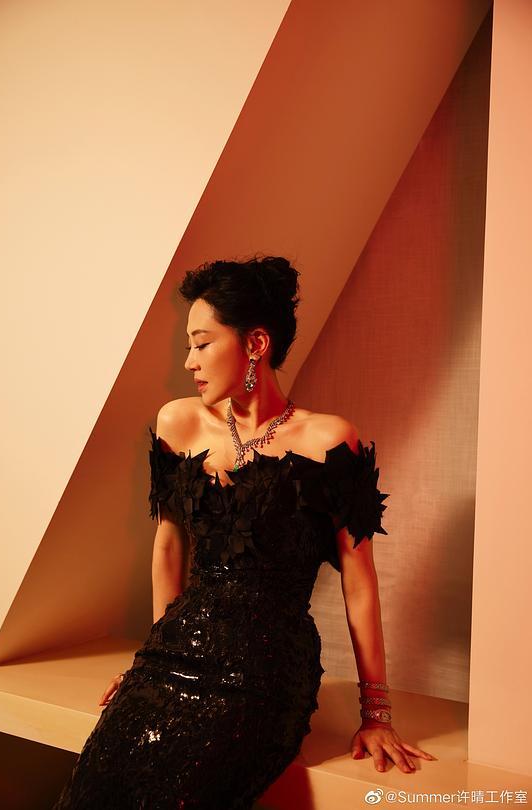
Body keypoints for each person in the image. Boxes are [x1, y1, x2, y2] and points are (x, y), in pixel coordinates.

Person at [53, 255, 435, 809]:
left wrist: (376, 714)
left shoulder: (329, 441)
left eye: (202, 344)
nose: (189, 361)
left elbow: (359, 583)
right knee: (94, 789)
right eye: (189, 346)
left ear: (255, 344)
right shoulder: (178, 423)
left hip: (264, 671)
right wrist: (153, 660)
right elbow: (169, 548)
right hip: (174, 651)